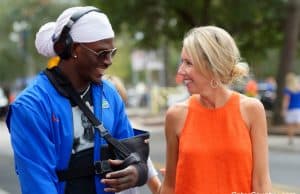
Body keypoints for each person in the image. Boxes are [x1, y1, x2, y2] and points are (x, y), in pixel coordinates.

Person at [6, 6, 148, 194]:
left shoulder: (110, 93)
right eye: (101, 53)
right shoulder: (32, 106)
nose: (109, 61)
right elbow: (37, 183)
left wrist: (137, 171)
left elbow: (130, 151)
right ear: (74, 49)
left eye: (112, 52)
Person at [159, 26, 271, 193]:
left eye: (188, 63)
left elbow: (261, 184)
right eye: (182, 62)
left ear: (212, 65)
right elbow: (169, 186)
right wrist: (146, 174)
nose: (180, 71)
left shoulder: (252, 110)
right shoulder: (176, 115)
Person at [103, 74, 161, 194]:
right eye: (106, 106)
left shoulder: (134, 145)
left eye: (119, 105)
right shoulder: (89, 146)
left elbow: (157, 188)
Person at [282, 72, 300, 145]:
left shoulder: (287, 89)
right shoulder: (298, 88)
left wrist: (283, 109)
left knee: (290, 125)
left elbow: (286, 100)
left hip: (291, 109)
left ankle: (290, 139)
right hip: (298, 108)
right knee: (298, 124)